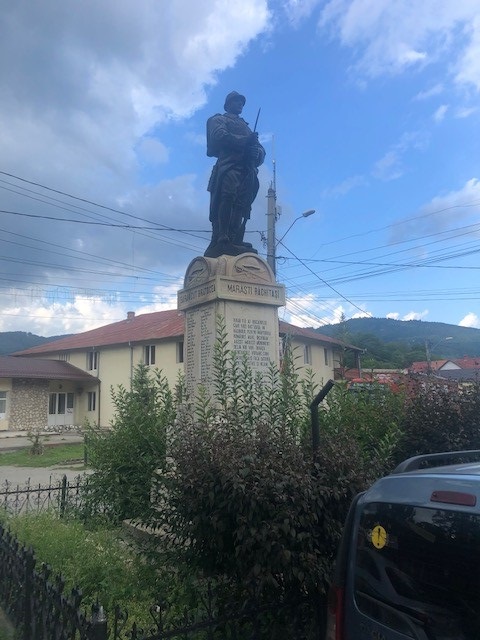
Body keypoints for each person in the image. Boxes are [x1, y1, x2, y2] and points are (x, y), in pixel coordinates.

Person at [204, 91, 266, 258]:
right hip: (228, 166)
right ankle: (222, 237)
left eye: (242, 103)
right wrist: (246, 142)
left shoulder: (246, 127)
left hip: (247, 170)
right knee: (227, 197)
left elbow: (261, 150)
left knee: (242, 204)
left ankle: (234, 239)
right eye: (236, 101)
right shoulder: (219, 119)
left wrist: (256, 153)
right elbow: (219, 137)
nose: (240, 104)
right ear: (227, 104)